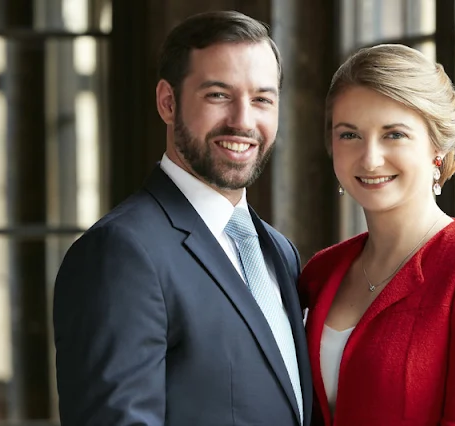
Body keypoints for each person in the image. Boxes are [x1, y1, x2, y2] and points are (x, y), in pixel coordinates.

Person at [53, 11, 312, 426]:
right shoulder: (120, 252)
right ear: (167, 102)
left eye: (262, 99)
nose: (243, 121)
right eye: (218, 95)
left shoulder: (279, 252)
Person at [298, 44, 455, 426]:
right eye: (350, 135)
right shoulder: (321, 271)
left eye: (394, 135)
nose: (370, 158)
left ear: (436, 147)